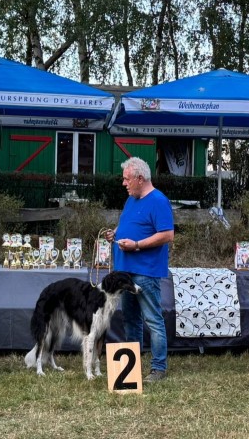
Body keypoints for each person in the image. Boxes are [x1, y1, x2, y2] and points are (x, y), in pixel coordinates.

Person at [105, 157, 174, 383]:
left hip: (145, 272)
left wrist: (136, 245)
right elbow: (129, 223)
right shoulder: (132, 199)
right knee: (130, 320)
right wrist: (115, 233)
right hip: (125, 271)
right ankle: (132, 366)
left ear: (140, 178)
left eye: (127, 179)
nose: (124, 183)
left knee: (153, 320)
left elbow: (167, 235)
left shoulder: (159, 201)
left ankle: (158, 368)